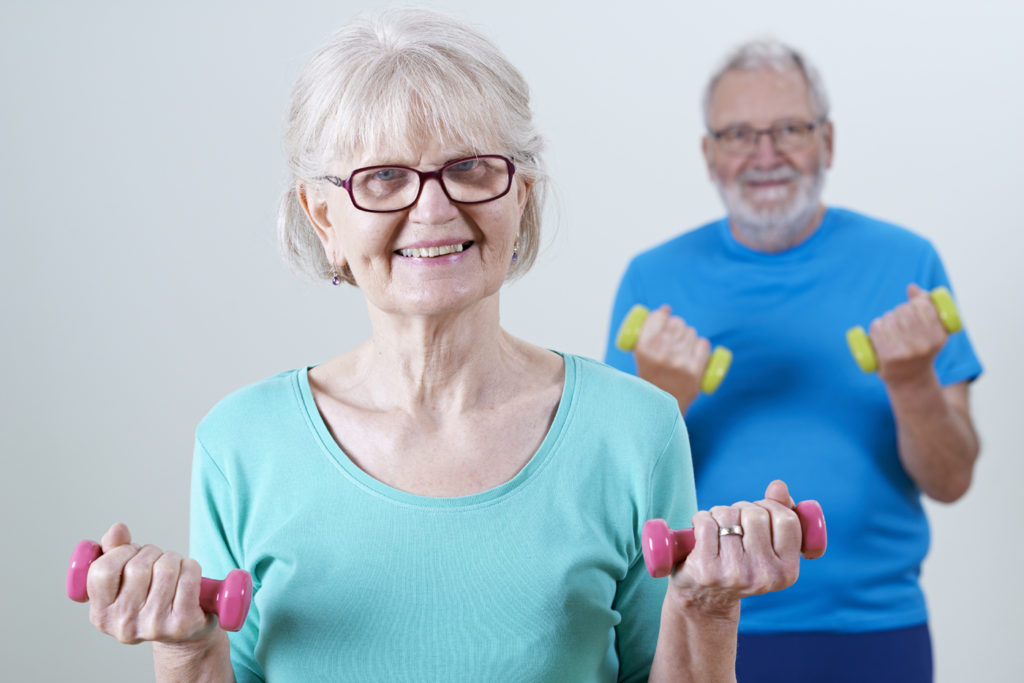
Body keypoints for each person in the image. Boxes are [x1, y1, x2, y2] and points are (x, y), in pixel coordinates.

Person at [80, 10, 814, 682]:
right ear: (323, 216)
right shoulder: (241, 442)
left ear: (519, 193)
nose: (434, 208)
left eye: (470, 168)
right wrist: (182, 646)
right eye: (385, 178)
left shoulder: (636, 430)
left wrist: (709, 609)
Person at [604, 39, 982, 683]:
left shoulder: (909, 265)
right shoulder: (652, 278)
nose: (765, 154)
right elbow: (614, 500)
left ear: (827, 142)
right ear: (709, 154)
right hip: (703, 620)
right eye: (738, 134)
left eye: (789, 129)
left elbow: (951, 480)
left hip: (875, 628)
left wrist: (912, 380)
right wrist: (660, 397)